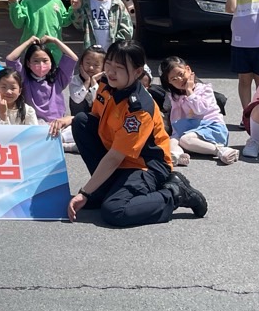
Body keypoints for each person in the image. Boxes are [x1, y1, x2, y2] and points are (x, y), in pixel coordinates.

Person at [65, 40, 208, 227]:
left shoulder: (138, 108)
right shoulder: (106, 83)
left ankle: (175, 192)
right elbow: (95, 117)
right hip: (120, 155)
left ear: (137, 72)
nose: (111, 71)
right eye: (109, 64)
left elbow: (115, 157)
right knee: (81, 122)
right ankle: (104, 188)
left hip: (145, 165)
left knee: (115, 210)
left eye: (119, 67)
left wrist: (85, 192)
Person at [161, 56, 238, 165]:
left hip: (211, 128)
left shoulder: (204, 89)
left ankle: (220, 150)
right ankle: (178, 156)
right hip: (188, 130)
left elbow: (199, 110)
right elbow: (176, 118)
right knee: (172, 142)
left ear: (188, 69)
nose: (179, 80)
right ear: (169, 82)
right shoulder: (175, 96)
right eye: (174, 79)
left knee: (185, 140)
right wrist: (175, 135)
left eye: (181, 74)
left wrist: (189, 91)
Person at [0, 0, 73, 64]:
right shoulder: (27, 1)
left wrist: (73, 9)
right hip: (32, 49)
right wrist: (14, 5)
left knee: (52, 73)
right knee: (33, 73)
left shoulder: (56, 0)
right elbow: (18, 23)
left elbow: (65, 21)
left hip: (54, 51)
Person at [4, 34, 77, 124]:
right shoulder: (24, 79)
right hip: (32, 123)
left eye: (45, 60)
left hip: (56, 124)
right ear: (28, 63)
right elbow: (10, 59)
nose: (41, 65)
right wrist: (28, 42)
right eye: (36, 61)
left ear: (51, 62)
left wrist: (55, 40)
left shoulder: (58, 79)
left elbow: (72, 58)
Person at [68, 46, 106, 117]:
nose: (91, 68)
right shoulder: (75, 80)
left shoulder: (106, 83)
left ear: (103, 67)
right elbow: (77, 99)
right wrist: (87, 81)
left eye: (96, 65)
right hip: (78, 118)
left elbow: (100, 103)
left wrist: (94, 82)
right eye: (88, 63)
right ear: (81, 63)